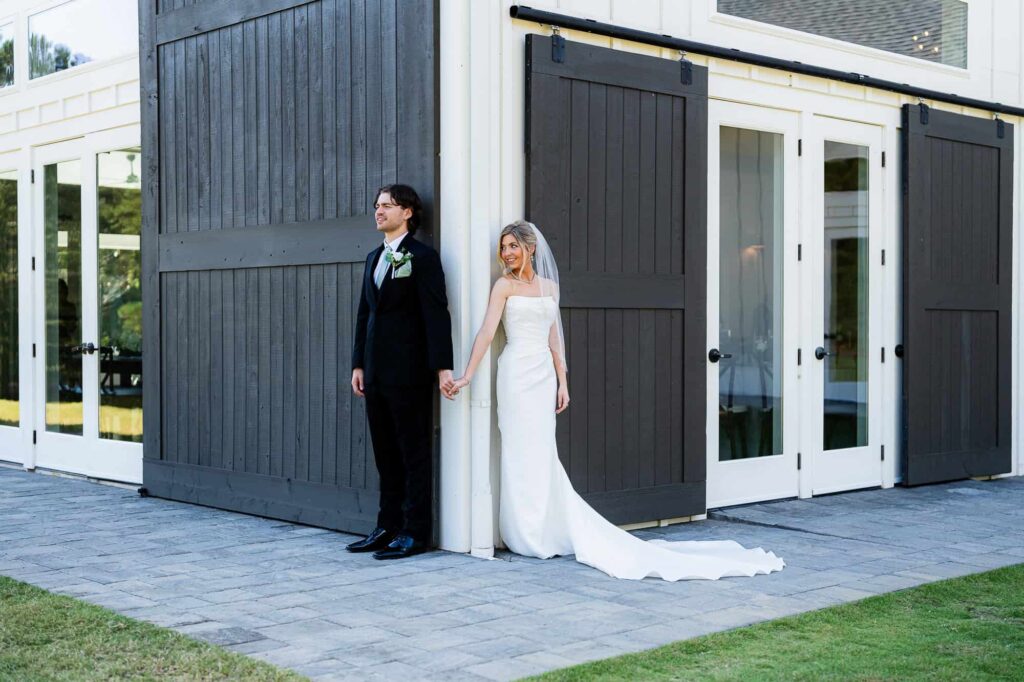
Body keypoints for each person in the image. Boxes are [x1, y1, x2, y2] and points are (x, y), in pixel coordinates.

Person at [450, 221, 784, 580]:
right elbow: (487, 330)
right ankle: (524, 532)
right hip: (515, 374)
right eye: (504, 247)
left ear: (531, 248)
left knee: (543, 449)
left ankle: (544, 528)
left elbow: (554, 338)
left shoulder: (549, 287)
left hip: (543, 376)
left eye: (513, 246)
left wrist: (563, 382)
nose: (507, 253)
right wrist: (467, 374)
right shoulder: (504, 286)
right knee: (519, 449)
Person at [349, 184, 454, 560]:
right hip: (375, 372)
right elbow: (365, 314)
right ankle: (387, 526)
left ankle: (414, 532)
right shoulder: (373, 257)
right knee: (385, 455)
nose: (379, 212)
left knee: (412, 453)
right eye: (376, 205)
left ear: (407, 212)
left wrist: (443, 367)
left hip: (409, 373)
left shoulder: (423, 257)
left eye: (387, 206)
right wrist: (358, 363)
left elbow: (435, 313)